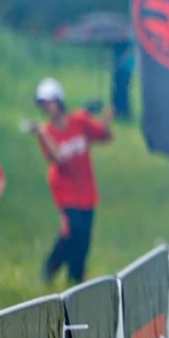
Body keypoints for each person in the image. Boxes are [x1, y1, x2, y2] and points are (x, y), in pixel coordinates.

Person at [33, 77, 113, 285]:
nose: (47, 107)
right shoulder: (46, 132)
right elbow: (57, 158)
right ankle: (51, 266)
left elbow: (104, 136)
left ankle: (76, 277)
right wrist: (42, 134)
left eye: (50, 102)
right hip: (64, 189)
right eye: (43, 104)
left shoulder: (79, 121)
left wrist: (106, 119)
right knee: (73, 229)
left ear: (59, 101)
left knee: (84, 236)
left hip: (86, 188)